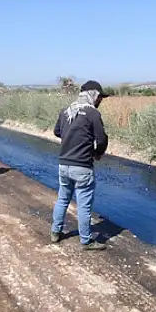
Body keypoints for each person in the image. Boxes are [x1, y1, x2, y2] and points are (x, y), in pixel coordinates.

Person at [51, 80, 109, 250]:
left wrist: (70, 139)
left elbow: (57, 132)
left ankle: (55, 233)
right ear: (93, 95)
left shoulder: (66, 111)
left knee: (63, 199)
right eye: (100, 97)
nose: (100, 101)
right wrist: (98, 153)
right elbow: (102, 139)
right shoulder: (92, 114)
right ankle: (86, 241)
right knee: (83, 204)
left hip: (63, 164)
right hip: (82, 166)